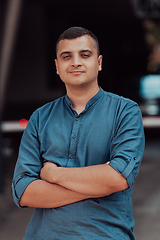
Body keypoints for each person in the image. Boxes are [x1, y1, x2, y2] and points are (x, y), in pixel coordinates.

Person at [12, 27, 145, 240]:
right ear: (57, 66)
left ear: (99, 63)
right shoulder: (40, 117)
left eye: (84, 54)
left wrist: (54, 175)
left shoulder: (125, 111)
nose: (75, 62)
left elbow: (117, 178)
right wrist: (96, 186)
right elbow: (23, 191)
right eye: (67, 56)